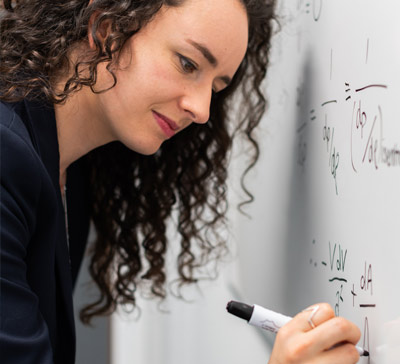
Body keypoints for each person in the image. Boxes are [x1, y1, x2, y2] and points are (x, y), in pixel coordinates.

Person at [0, 0, 361, 363]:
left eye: (216, 87)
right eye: (188, 64)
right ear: (106, 28)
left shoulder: (72, 169)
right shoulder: (8, 160)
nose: (203, 110)